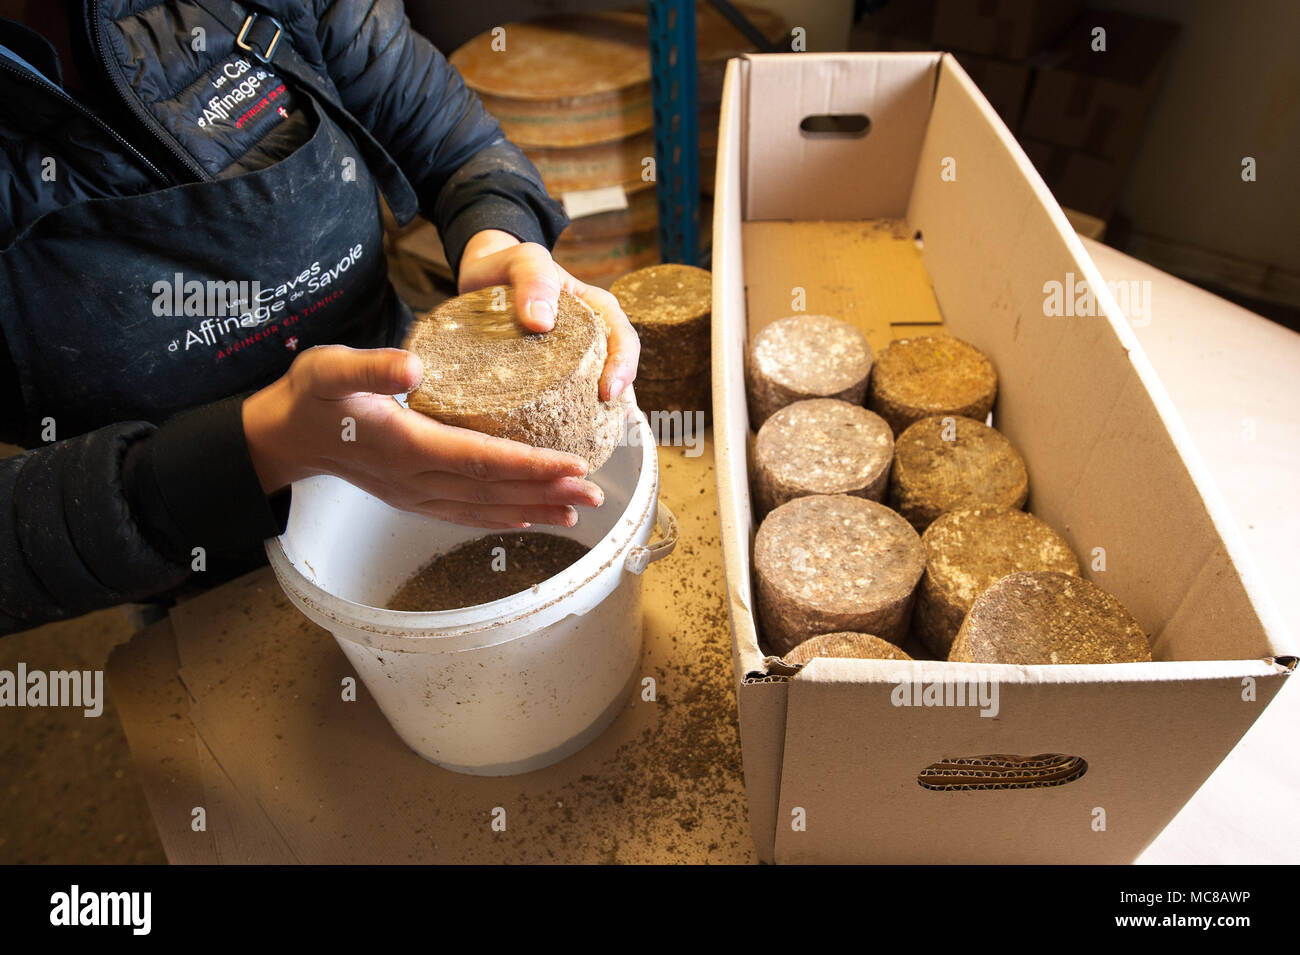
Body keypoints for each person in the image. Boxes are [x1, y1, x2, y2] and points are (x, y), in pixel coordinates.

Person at [0, 0, 640, 634]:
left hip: (428, 442)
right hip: (196, 560)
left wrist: (495, 236)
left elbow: (458, 144)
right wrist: (257, 449)